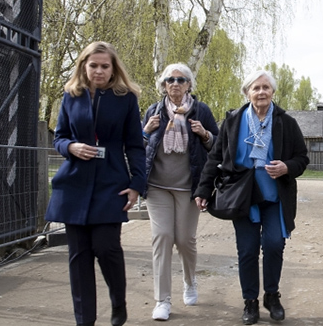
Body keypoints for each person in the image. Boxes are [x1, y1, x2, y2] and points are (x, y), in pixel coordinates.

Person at [193, 70, 309, 325]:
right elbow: (215, 157)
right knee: (246, 251)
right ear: (247, 92)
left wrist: (287, 167)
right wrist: (203, 190)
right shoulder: (233, 120)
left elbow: (302, 158)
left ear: (273, 92)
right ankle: (250, 302)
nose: (261, 92)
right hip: (242, 196)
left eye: (266, 87)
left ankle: (271, 296)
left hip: (274, 196)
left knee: (274, 245)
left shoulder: (286, 122)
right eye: (256, 88)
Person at [45, 41, 146, 326]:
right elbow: (59, 137)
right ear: (83, 66)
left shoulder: (125, 98)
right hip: (74, 184)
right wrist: (71, 147)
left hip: (110, 183)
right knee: (79, 257)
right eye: (93, 66)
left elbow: (135, 146)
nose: (99, 71)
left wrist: (137, 184)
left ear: (113, 69)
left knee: (106, 248)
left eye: (105, 66)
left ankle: (118, 301)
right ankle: (84, 321)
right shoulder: (71, 96)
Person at [142, 63, 219, 321]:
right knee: (162, 237)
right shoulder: (153, 111)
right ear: (163, 85)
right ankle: (162, 299)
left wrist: (205, 134)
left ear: (189, 84)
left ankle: (189, 281)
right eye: (169, 80)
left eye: (181, 79)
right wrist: (145, 132)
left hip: (189, 187)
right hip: (157, 187)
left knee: (185, 240)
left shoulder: (201, 111)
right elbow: (140, 146)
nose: (175, 84)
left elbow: (218, 147)